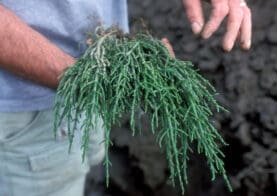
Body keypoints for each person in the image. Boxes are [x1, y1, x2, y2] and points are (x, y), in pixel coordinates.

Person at [0, 0, 251, 195]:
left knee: (82, 162)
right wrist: (88, 78)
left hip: (91, 78)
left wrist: (96, 79)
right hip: (22, 114)